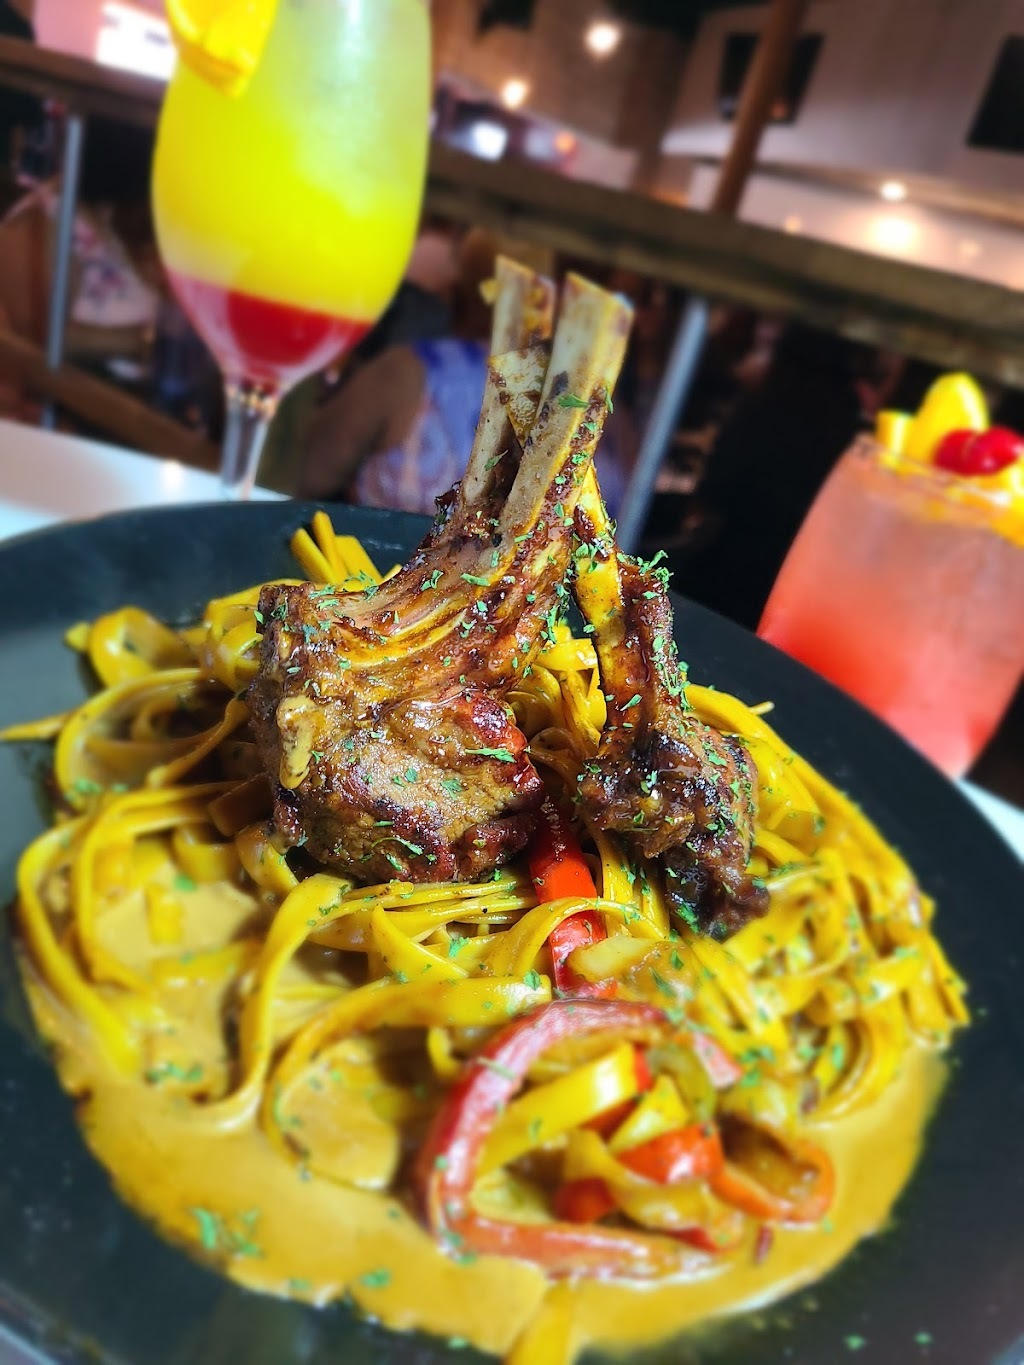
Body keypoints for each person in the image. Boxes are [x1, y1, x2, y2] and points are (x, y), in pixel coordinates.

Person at [678, 324, 871, 630]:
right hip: (792, 593)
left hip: (724, 572)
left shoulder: (759, 408)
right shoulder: (851, 430)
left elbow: (713, 492)